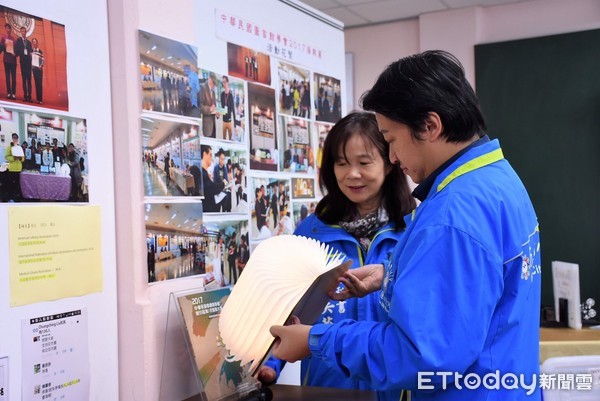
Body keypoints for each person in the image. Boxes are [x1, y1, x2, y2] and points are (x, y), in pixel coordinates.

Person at [269, 51, 542, 401]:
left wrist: (315, 340)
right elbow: (475, 286)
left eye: (391, 140)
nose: (394, 158)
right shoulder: (498, 179)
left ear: (430, 125)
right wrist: (391, 274)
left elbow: (421, 355)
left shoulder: (451, 214)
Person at [259, 111, 416, 392]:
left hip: (394, 388)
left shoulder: (413, 229)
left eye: (364, 163)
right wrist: (270, 363)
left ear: (390, 162)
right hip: (324, 389)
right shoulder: (311, 231)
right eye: (341, 163)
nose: (351, 174)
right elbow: (287, 307)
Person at [200, 144, 230, 212]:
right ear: (204, 154)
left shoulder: (225, 168)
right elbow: (212, 187)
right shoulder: (204, 172)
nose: (212, 158)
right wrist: (223, 184)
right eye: (210, 155)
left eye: (224, 159)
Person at [198, 73, 219, 138]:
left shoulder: (213, 92)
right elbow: (200, 107)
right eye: (213, 83)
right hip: (207, 127)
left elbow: (214, 105)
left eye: (214, 84)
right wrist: (209, 109)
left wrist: (217, 113)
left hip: (213, 126)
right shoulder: (202, 87)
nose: (214, 86)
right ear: (209, 79)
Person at [15, 26, 32, 102]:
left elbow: (31, 52)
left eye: (24, 31)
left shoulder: (29, 42)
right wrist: (14, 54)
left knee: (29, 80)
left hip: (28, 63)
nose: (23, 33)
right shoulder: (18, 40)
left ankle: (29, 97)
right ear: (20, 32)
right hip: (22, 62)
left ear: (26, 32)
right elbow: (17, 50)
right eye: (22, 31)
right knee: (24, 80)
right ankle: (25, 96)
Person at [4, 132, 23, 201]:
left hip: (18, 169)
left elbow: (23, 158)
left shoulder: (19, 147)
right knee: (11, 184)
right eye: (14, 138)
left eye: (16, 138)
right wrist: (13, 158)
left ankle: (16, 198)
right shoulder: (9, 147)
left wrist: (21, 158)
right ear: (12, 139)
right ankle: (10, 198)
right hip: (12, 169)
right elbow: (6, 156)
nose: (15, 139)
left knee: (17, 185)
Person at [0, 23, 17, 100]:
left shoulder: (14, 39)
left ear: (11, 29)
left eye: (9, 28)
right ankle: (8, 93)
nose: (8, 30)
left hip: (13, 61)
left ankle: (13, 93)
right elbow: (1, 48)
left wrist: (15, 54)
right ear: (6, 29)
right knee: (7, 77)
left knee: (13, 77)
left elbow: (16, 51)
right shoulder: (3, 38)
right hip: (6, 59)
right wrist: (4, 45)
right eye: (7, 28)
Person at [220, 76, 236, 140]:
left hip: (229, 121)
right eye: (223, 82)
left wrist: (235, 124)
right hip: (224, 121)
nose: (224, 84)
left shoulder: (231, 96)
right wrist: (218, 113)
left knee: (230, 138)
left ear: (227, 82)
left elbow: (233, 109)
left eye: (225, 82)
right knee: (223, 138)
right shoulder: (222, 94)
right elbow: (222, 107)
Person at [30, 38, 43, 104]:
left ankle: (40, 99)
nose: (34, 43)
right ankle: (37, 99)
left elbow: (42, 60)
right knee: (36, 84)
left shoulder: (40, 51)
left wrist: (41, 66)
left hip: (39, 70)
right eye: (33, 42)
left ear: (37, 43)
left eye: (35, 42)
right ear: (32, 43)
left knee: (39, 84)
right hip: (34, 70)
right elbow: (31, 61)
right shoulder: (31, 51)